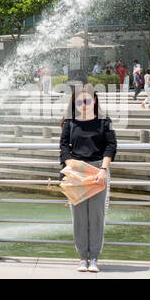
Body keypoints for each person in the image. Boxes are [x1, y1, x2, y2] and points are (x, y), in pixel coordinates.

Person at [60, 84, 116, 273]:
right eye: (79, 101)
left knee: (97, 215)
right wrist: (70, 167)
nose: (83, 104)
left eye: (87, 100)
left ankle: (94, 258)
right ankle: (82, 257)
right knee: (79, 217)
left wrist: (103, 169)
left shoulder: (104, 122)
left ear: (94, 101)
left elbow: (110, 146)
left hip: (97, 171)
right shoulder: (70, 122)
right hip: (76, 171)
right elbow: (64, 147)